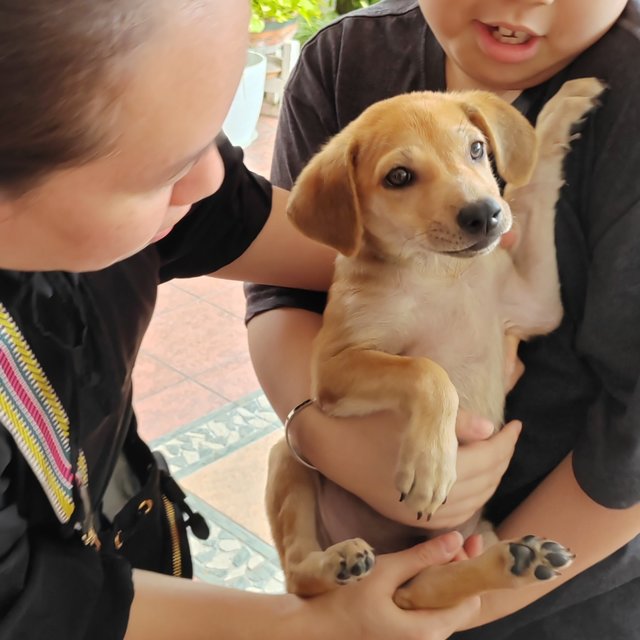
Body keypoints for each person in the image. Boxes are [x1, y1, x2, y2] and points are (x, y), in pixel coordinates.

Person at [0, 1, 489, 638]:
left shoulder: (130, 195)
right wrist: (310, 626)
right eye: (166, 170)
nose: (211, 177)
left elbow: (242, 217)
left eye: (216, 136)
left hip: (121, 521)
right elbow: (28, 603)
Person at [245, 0, 640, 638]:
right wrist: (319, 436)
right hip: (344, 566)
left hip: (571, 590)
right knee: (284, 463)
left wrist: (464, 609)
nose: (520, 3)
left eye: (477, 152)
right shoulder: (345, 59)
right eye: (402, 176)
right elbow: (281, 291)